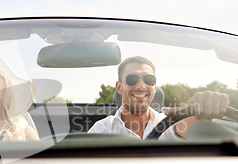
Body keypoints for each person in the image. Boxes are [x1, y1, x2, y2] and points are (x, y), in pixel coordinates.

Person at [88, 56, 229, 140]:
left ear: (154, 87)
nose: (141, 86)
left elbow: (188, 128)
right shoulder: (102, 129)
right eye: (132, 79)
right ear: (119, 87)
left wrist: (202, 110)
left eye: (149, 80)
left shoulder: (171, 123)